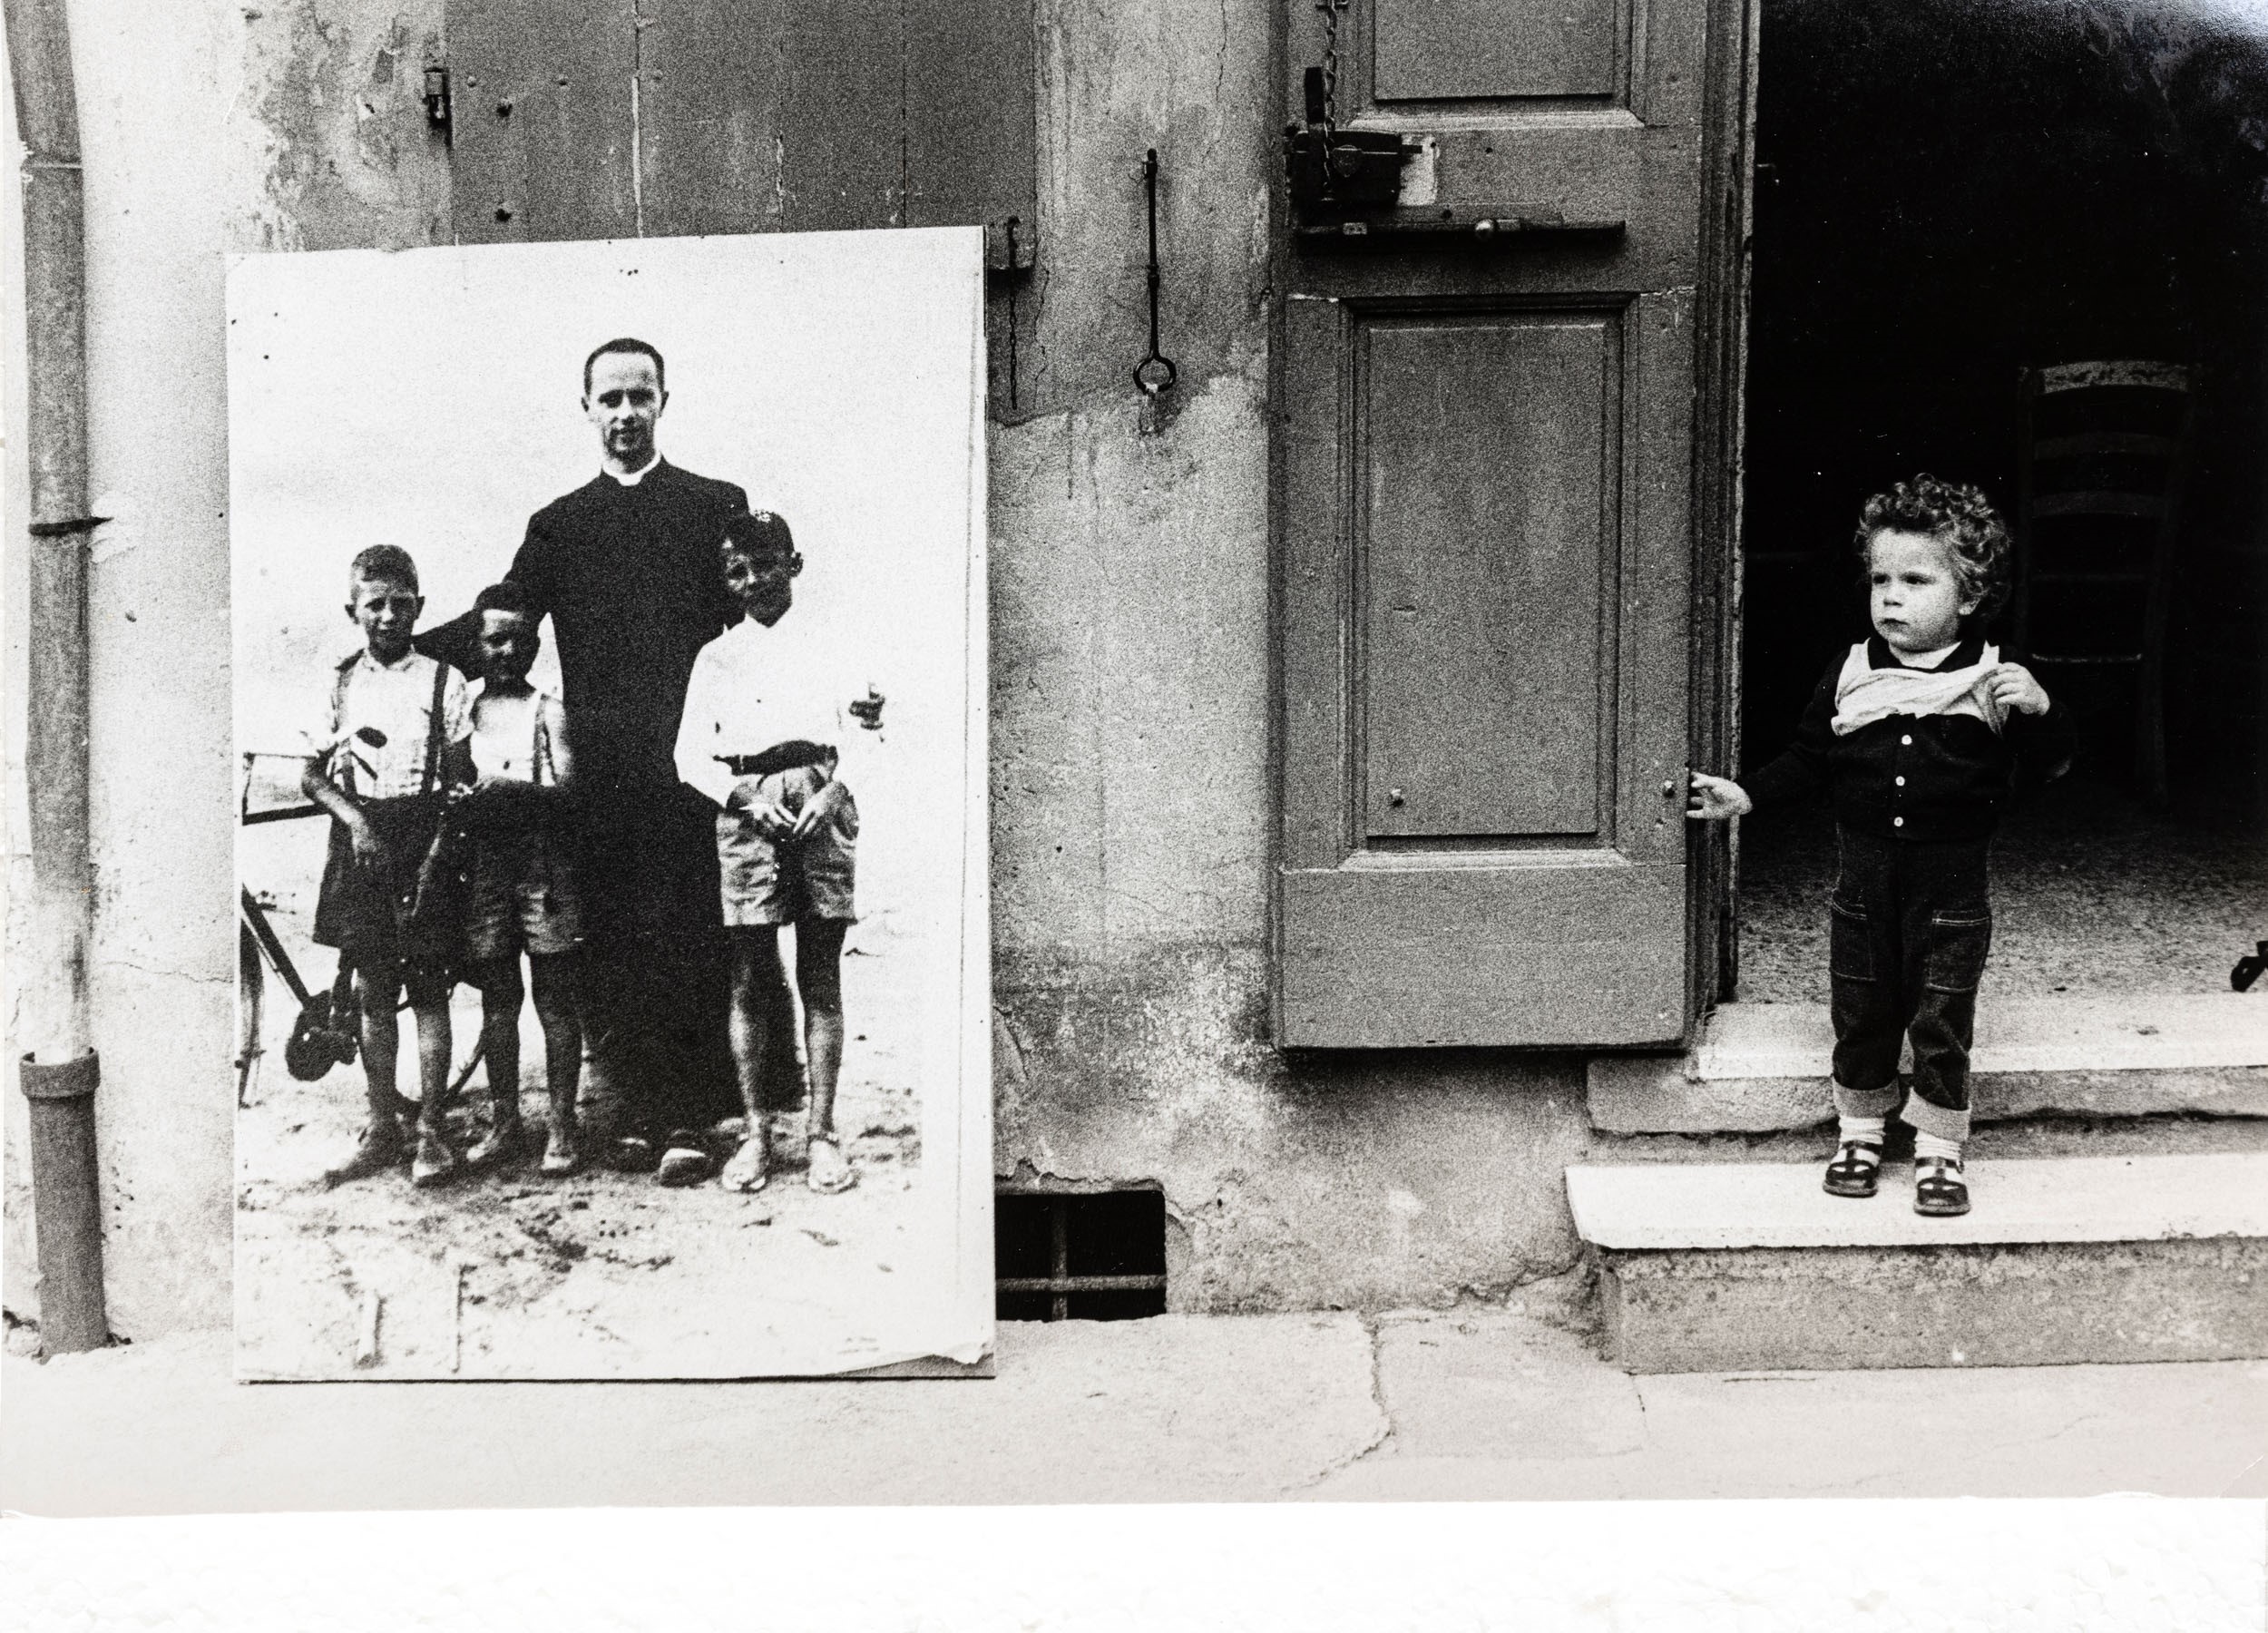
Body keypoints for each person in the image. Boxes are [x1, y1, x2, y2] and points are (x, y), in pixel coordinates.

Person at [421, 337, 777, 1186]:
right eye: (609, 399)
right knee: (613, 934)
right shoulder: (560, 524)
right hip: (600, 768)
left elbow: (766, 616)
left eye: (639, 396)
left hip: (693, 762)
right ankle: (632, 1113)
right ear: (586, 409)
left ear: (663, 402)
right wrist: (399, 658)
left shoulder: (713, 505)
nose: (625, 413)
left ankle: (690, 1117)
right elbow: (499, 620)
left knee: (692, 932)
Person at [1687, 474, 2075, 1217]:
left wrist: (2043, 709)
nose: (1892, 597)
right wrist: (1748, 795)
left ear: (1969, 595)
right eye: (1881, 580)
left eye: (1916, 581)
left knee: (1940, 1016)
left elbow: (2051, 763)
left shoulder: (1995, 677)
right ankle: (1860, 1132)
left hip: (1952, 895)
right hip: (1863, 888)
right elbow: (1809, 756)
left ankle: (1939, 1147)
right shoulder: (1852, 671)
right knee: (1861, 1009)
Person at [674, 511, 885, 1195]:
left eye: (766, 564)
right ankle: (757, 1132)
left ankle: (821, 1133)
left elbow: (870, 732)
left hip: (821, 802)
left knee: (820, 973)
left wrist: (836, 791)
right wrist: (743, 799)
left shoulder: (836, 642)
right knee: (749, 977)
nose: (753, 580)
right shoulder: (716, 657)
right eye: (738, 570)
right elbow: (687, 757)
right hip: (749, 813)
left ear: (793, 564)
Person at [302, 544, 474, 1188]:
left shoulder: (444, 680)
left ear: (419, 607)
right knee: (374, 992)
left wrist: (437, 849)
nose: (388, 616)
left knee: (428, 991)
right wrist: (356, 823)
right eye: (375, 605)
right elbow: (312, 776)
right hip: (362, 841)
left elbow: (460, 781)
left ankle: (431, 1129)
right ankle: (381, 1126)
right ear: (353, 610)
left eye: (401, 604)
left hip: (427, 841)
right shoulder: (340, 681)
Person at [456, 582, 584, 1177]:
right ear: (477, 644)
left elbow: (570, 793)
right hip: (486, 866)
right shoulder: (464, 709)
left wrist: (512, 790)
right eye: (495, 640)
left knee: (554, 1000)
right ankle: (505, 1123)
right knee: (498, 1001)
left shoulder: (548, 710)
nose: (508, 651)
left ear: (534, 644)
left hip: (544, 866)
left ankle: (562, 1123)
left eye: (520, 639)